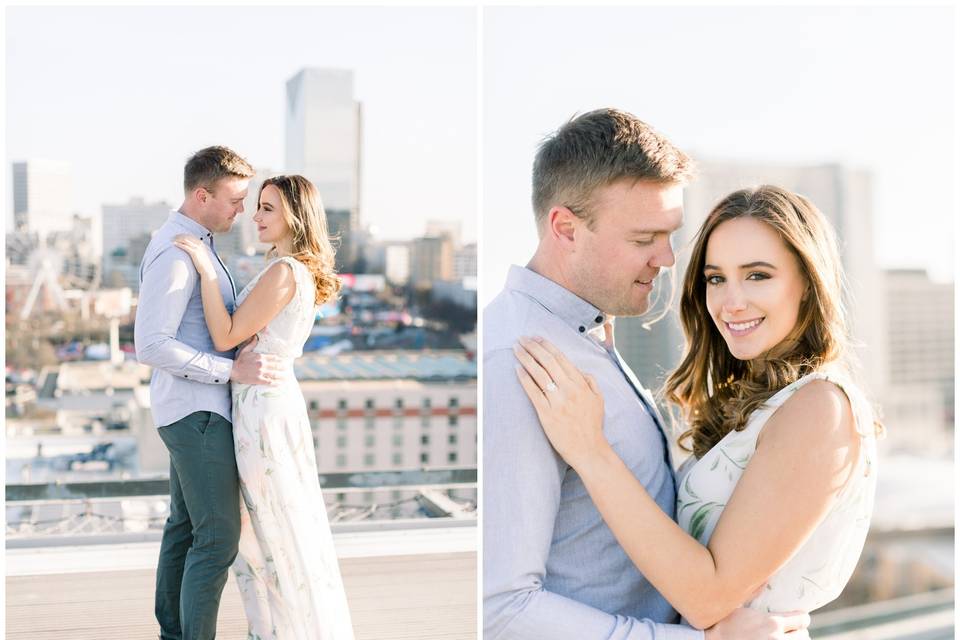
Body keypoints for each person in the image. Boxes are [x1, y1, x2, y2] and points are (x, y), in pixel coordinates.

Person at [483, 108, 811, 639]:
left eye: (669, 234)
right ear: (566, 228)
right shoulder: (518, 360)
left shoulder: (587, 329)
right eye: (643, 239)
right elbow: (500, 611)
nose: (666, 258)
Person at [514, 185, 878, 630]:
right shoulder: (764, 402)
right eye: (716, 278)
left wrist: (590, 451)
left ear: (807, 283)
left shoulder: (820, 407)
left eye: (758, 275)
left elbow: (708, 599)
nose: (731, 301)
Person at [173, 174, 354, 640]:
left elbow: (226, 335)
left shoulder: (284, 272)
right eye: (258, 206)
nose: (256, 215)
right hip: (264, 404)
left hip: (264, 412)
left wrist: (207, 271)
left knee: (270, 534)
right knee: (267, 531)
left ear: (296, 215)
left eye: (268, 208)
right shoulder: (289, 269)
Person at [135, 146, 284, 639]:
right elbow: (152, 344)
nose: (241, 211)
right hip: (196, 414)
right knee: (218, 538)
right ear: (202, 195)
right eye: (235, 200)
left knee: (184, 527)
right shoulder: (178, 252)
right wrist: (229, 371)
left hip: (190, 410)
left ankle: (173, 634)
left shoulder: (192, 242)